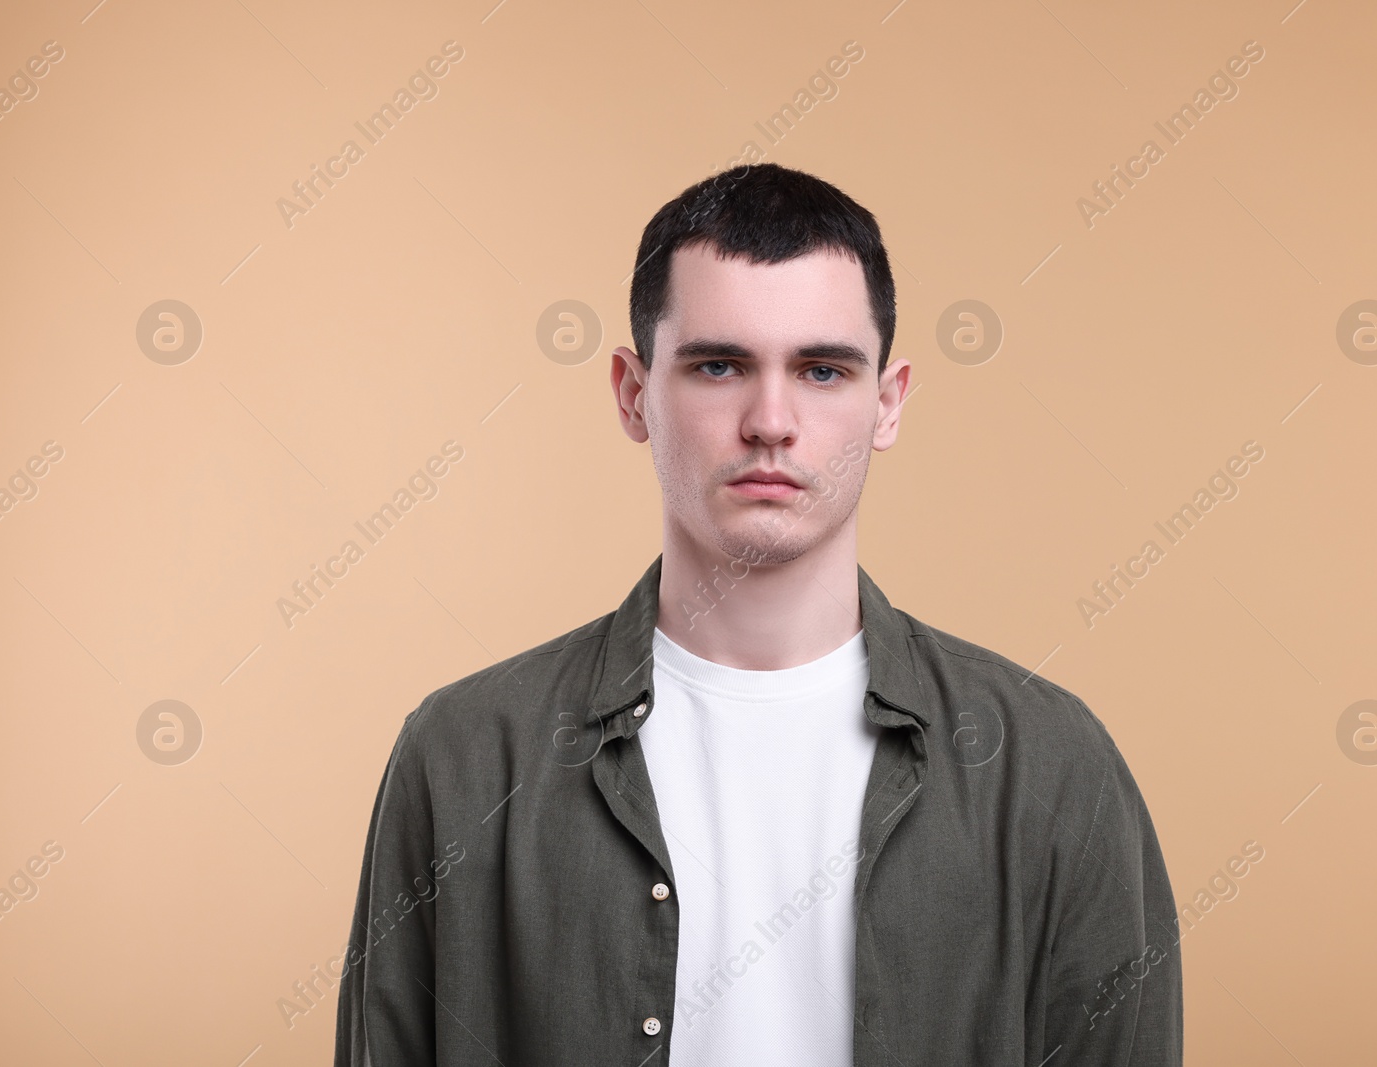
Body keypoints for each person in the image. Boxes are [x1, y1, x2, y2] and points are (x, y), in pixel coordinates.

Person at [335, 162, 1182, 1066]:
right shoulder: (464, 759)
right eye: (718, 365)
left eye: (822, 369)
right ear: (633, 393)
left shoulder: (1050, 766)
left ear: (887, 404)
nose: (770, 420)